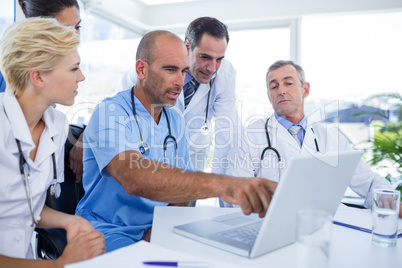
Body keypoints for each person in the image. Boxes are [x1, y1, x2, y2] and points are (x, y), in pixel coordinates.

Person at [75, 30, 277, 252]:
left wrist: (156, 234)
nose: (180, 82)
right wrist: (226, 186)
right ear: (141, 69)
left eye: (183, 71)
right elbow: (133, 178)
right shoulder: (111, 112)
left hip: (160, 229)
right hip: (110, 229)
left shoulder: (174, 121)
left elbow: (183, 194)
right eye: (170, 70)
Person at [222, 60, 402, 216]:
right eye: (274, 86)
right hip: (270, 224)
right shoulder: (250, 136)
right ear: (269, 97)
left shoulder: (331, 137)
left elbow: (367, 179)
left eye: (288, 83)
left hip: (327, 225)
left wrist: (385, 196)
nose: (281, 91)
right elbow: (237, 192)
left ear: (305, 89)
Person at [0, 17, 105, 267]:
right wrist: (57, 265)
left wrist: (69, 221)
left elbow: (26, 206)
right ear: (38, 77)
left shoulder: (57, 125)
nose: (81, 77)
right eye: (73, 68)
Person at [117, 17, 241, 173]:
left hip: (192, 170)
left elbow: (228, 133)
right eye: (205, 57)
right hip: (149, 168)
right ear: (187, 46)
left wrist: (225, 189)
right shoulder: (148, 72)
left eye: (219, 59)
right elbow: (118, 114)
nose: (212, 68)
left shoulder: (225, 75)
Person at [0, 0, 84, 182]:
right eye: (64, 30)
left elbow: (34, 204)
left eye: (77, 27)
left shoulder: (56, 123)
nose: (75, 37)